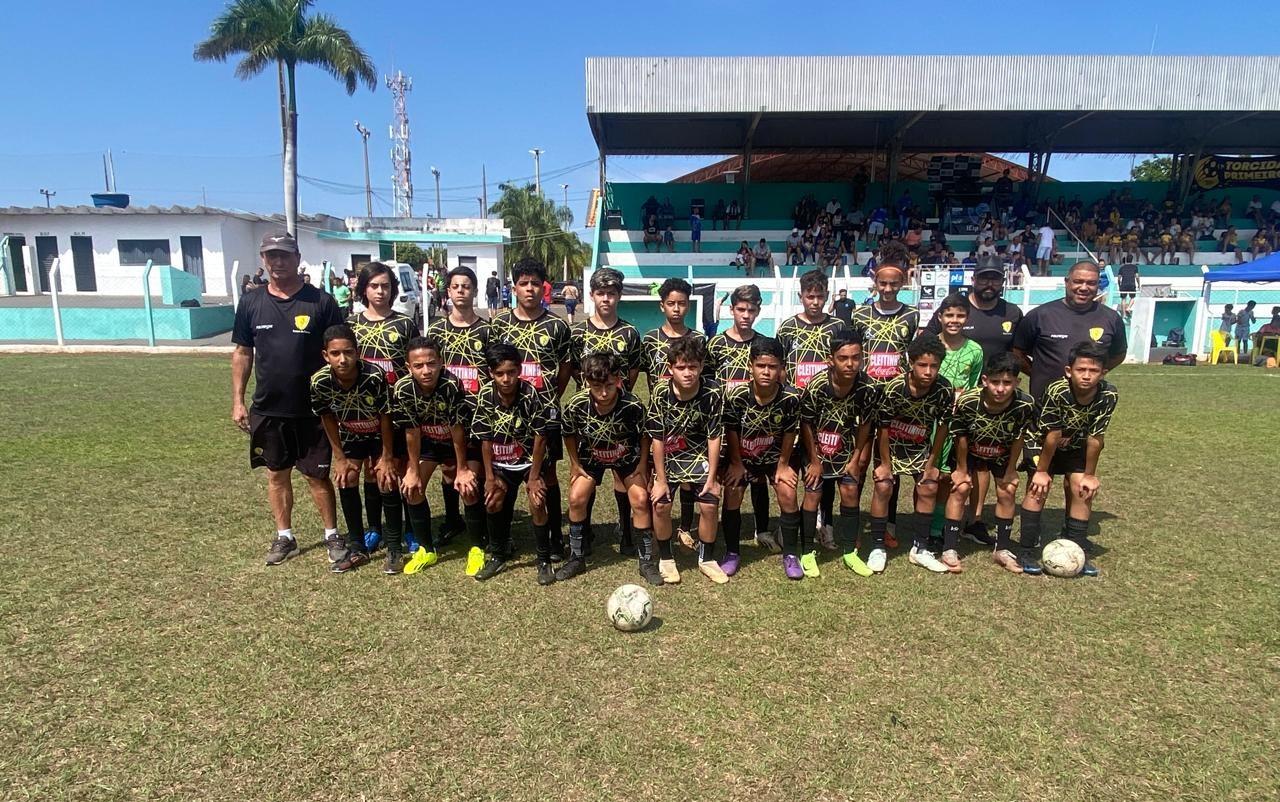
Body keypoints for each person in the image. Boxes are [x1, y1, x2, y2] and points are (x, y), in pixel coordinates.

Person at [231, 231, 344, 567]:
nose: (278, 261)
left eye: (284, 255)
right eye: (271, 255)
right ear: (263, 260)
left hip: (314, 410)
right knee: (276, 474)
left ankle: (332, 535)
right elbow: (243, 353)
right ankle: (285, 537)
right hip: (269, 408)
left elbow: (338, 351)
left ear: (297, 258)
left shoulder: (321, 302)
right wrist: (238, 400)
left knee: (317, 476)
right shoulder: (251, 302)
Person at [487, 258, 572, 561]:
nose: (530, 289)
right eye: (523, 283)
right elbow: (492, 365)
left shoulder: (557, 325)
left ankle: (554, 539)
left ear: (543, 287)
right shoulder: (499, 324)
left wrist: (551, 396)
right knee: (506, 472)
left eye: (535, 283)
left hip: (545, 413)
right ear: (514, 288)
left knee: (547, 476)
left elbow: (565, 366)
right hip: (507, 415)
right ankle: (503, 538)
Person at [1018, 341, 1119, 577]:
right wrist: (1042, 471)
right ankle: (1026, 550)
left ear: (1103, 373)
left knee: (1081, 488)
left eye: (1093, 371)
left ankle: (1077, 547)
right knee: (1038, 488)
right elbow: (1052, 435)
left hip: (1074, 443)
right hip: (1041, 440)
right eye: (1081, 369)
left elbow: (1096, 438)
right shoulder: (1057, 391)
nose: (1087, 376)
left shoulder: (1108, 394)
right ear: (1068, 371)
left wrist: (1090, 475)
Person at [310, 324, 399, 574]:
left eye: (348, 352)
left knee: (386, 478)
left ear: (357, 352)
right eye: (335, 353)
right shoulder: (319, 381)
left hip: (379, 434)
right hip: (351, 435)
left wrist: (387, 457)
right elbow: (327, 417)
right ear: (326, 355)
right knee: (346, 477)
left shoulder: (374, 376)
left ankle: (394, 548)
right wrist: (339, 458)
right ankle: (357, 546)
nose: (343, 359)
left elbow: (386, 416)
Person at [559, 352, 655, 584]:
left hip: (627, 458)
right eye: (597, 386)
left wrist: (643, 464)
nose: (603, 393)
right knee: (576, 498)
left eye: (609, 386)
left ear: (618, 379)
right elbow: (569, 433)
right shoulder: (577, 404)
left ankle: (646, 562)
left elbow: (645, 435)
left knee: (641, 499)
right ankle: (576, 557)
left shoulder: (632, 405)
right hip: (591, 458)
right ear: (586, 381)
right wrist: (575, 464)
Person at [569, 267, 643, 554]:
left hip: (620, 415)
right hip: (588, 416)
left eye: (611, 293)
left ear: (619, 296)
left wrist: (618, 396)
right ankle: (584, 532)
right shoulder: (579, 332)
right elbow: (573, 369)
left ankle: (625, 528)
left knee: (621, 473)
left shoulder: (629, 333)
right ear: (591, 295)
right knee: (586, 473)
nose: (606, 299)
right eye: (600, 293)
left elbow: (633, 370)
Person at [469, 344, 556, 583]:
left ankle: (544, 560)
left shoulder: (530, 394)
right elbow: (485, 440)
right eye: (499, 374)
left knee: (537, 501)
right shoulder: (485, 395)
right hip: (501, 462)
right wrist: (489, 477)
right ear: (491, 373)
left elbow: (540, 437)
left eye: (511, 372)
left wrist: (534, 477)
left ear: (519, 370)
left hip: (528, 461)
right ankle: (498, 554)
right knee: (492, 499)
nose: (506, 379)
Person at [867, 334, 954, 574]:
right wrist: (885, 464)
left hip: (919, 446)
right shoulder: (894, 387)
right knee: (884, 486)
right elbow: (883, 427)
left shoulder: (944, 388)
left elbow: (943, 426)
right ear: (911, 363)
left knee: (929, 487)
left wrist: (933, 462)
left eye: (934, 366)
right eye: (922, 365)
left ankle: (920, 548)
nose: (928, 371)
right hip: (890, 446)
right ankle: (877, 547)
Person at [394, 336, 479, 574]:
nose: (426, 370)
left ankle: (477, 548)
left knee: (468, 487)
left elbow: (457, 429)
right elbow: (412, 431)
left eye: (431, 363)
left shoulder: (451, 384)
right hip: (429, 444)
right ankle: (426, 549)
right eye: (418, 365)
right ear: (408, 367)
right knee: (411, 489)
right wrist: (412, 471)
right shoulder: (402, 389)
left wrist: (462, 469)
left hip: (460, 442)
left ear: (441, 362)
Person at [944, 353, 1035, 573]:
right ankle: (949, 548)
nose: (1001, 389)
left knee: (1007, 490)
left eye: (1007, 383)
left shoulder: (1025, 404)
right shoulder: (968, 401)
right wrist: (962, 469)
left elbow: (1019, 437)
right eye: (995, 382)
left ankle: (1002, 549)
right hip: (970, 451)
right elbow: (960, 436)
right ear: (985, 380)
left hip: (1001, 452)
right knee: (960, 488)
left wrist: (1011, 469)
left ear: (1017, 382)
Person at [645, 336, 727, 585]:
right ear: (670, 368)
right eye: (681, 367)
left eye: (693, 367)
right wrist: (660, 480)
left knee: (710, 505)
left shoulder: (712, 391)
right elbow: (657, 438)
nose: (687, 373)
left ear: (701, 366)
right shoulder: (661, 391)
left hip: (698, 453)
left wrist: (712, 478)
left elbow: (714, 436)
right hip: (669, 454)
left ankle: (707, 559)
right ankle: (666, 558)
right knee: (661, 504)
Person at [722, 337, 804, 577]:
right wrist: (736, 463)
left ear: (781, 368)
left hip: (774, 458)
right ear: (751, 366)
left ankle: (790, 554)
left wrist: (783, 465)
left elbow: (790, 432)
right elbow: (731, 431)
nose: (766, 372)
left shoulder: (790, 398)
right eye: (761, 366)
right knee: (733, 492)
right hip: (743, 458)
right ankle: (732, 552)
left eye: (772, 366)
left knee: (788, 492)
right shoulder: (737, 396)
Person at [426, 267, 491, 566]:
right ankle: (453, 520)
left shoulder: (487, 330)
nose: (461, 290)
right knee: (449, 468)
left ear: (475, 291)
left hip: (477, 413)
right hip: (443, 413)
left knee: (475, 471)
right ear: (448, 291)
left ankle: (483, 525)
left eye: (467, 286)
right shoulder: (436, 330)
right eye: (456, 286)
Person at [798, 329, 876, 579]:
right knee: (813, 492)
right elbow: (806, 423)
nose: (850, 363)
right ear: (830, 360)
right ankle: (807, 552)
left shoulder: (867, 386)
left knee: (851, 491)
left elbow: (865, 424)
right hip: (815, 447)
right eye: (843, 358)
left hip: (845, 447)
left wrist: (856, 458)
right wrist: (814, 460)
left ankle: (850, 552)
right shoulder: (817, 385)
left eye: (856, 357)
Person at [640, 277, 711, 546]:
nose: (677, 309)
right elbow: (639, 374)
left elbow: (706, 379)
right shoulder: (650, 339)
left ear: (689, 306)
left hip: (692, 421)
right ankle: (654, 529)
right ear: (662, 306)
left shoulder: (698, 339)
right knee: (658, 476)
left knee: (690, 478)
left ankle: (685, 526)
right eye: (671, 303)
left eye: (682, 303)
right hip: (661, 420)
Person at [1011, 261, 1127, 401]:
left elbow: (1119, 354)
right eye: (1078, 281)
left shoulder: (1111, 318)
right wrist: (1036, 373)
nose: (1084, 288)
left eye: (1091, 283)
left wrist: (1094, 373)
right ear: (1067, 282)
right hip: (1044, 404)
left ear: (1098, 285)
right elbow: (1017, 352)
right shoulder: (1040, 315)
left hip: (1087, 405)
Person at [922, 264, 1023, 359]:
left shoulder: (1013, 312)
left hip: (997, 372)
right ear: (973, 280)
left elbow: (1020, 352)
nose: (989, 284)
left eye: (995, 280)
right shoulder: (954, 308)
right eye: (983, 279)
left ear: (1003, 282)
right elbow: (924, 343)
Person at [777, 269, 849, 390]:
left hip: (827, 396)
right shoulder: (787, 327)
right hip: (796, 397)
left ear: (827, 295)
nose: (815, 302)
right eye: (810, 297)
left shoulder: (838, 326)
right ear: (800, 297)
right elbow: (779, 365)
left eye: (820, 297)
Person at [707, 284, 762, 390]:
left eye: (751, 310)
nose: (746, 316)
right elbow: (706, 382)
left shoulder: (763, 344)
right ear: (732, 310)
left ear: (758, 311)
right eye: (741, 310)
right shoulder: (716, 344)